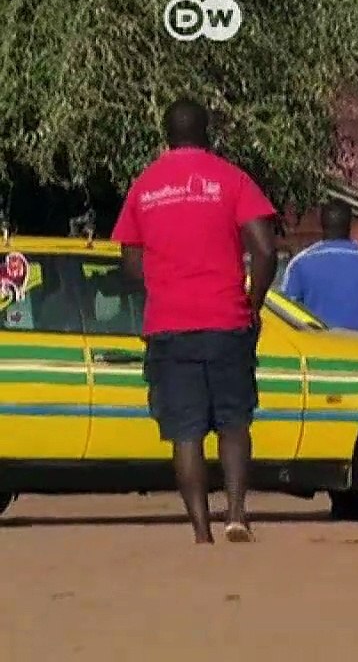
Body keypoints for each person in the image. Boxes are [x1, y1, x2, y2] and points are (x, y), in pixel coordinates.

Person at [110, 98, 277, 544]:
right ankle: (237, 515)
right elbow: (264, 249)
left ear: (166, 135)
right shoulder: (231, 178)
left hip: (169, 327)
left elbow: (128, 259)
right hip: (227, 320)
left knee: (185, 433)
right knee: (234, 421)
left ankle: (201, 533)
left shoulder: (145, 186)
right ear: (208, 133)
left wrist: (164, 285)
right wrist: (253, 303)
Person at [279, 200, 358, 335]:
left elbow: (286, 312)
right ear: (349, 224)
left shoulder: (299, 264)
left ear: (321, 223)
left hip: (317, 347)